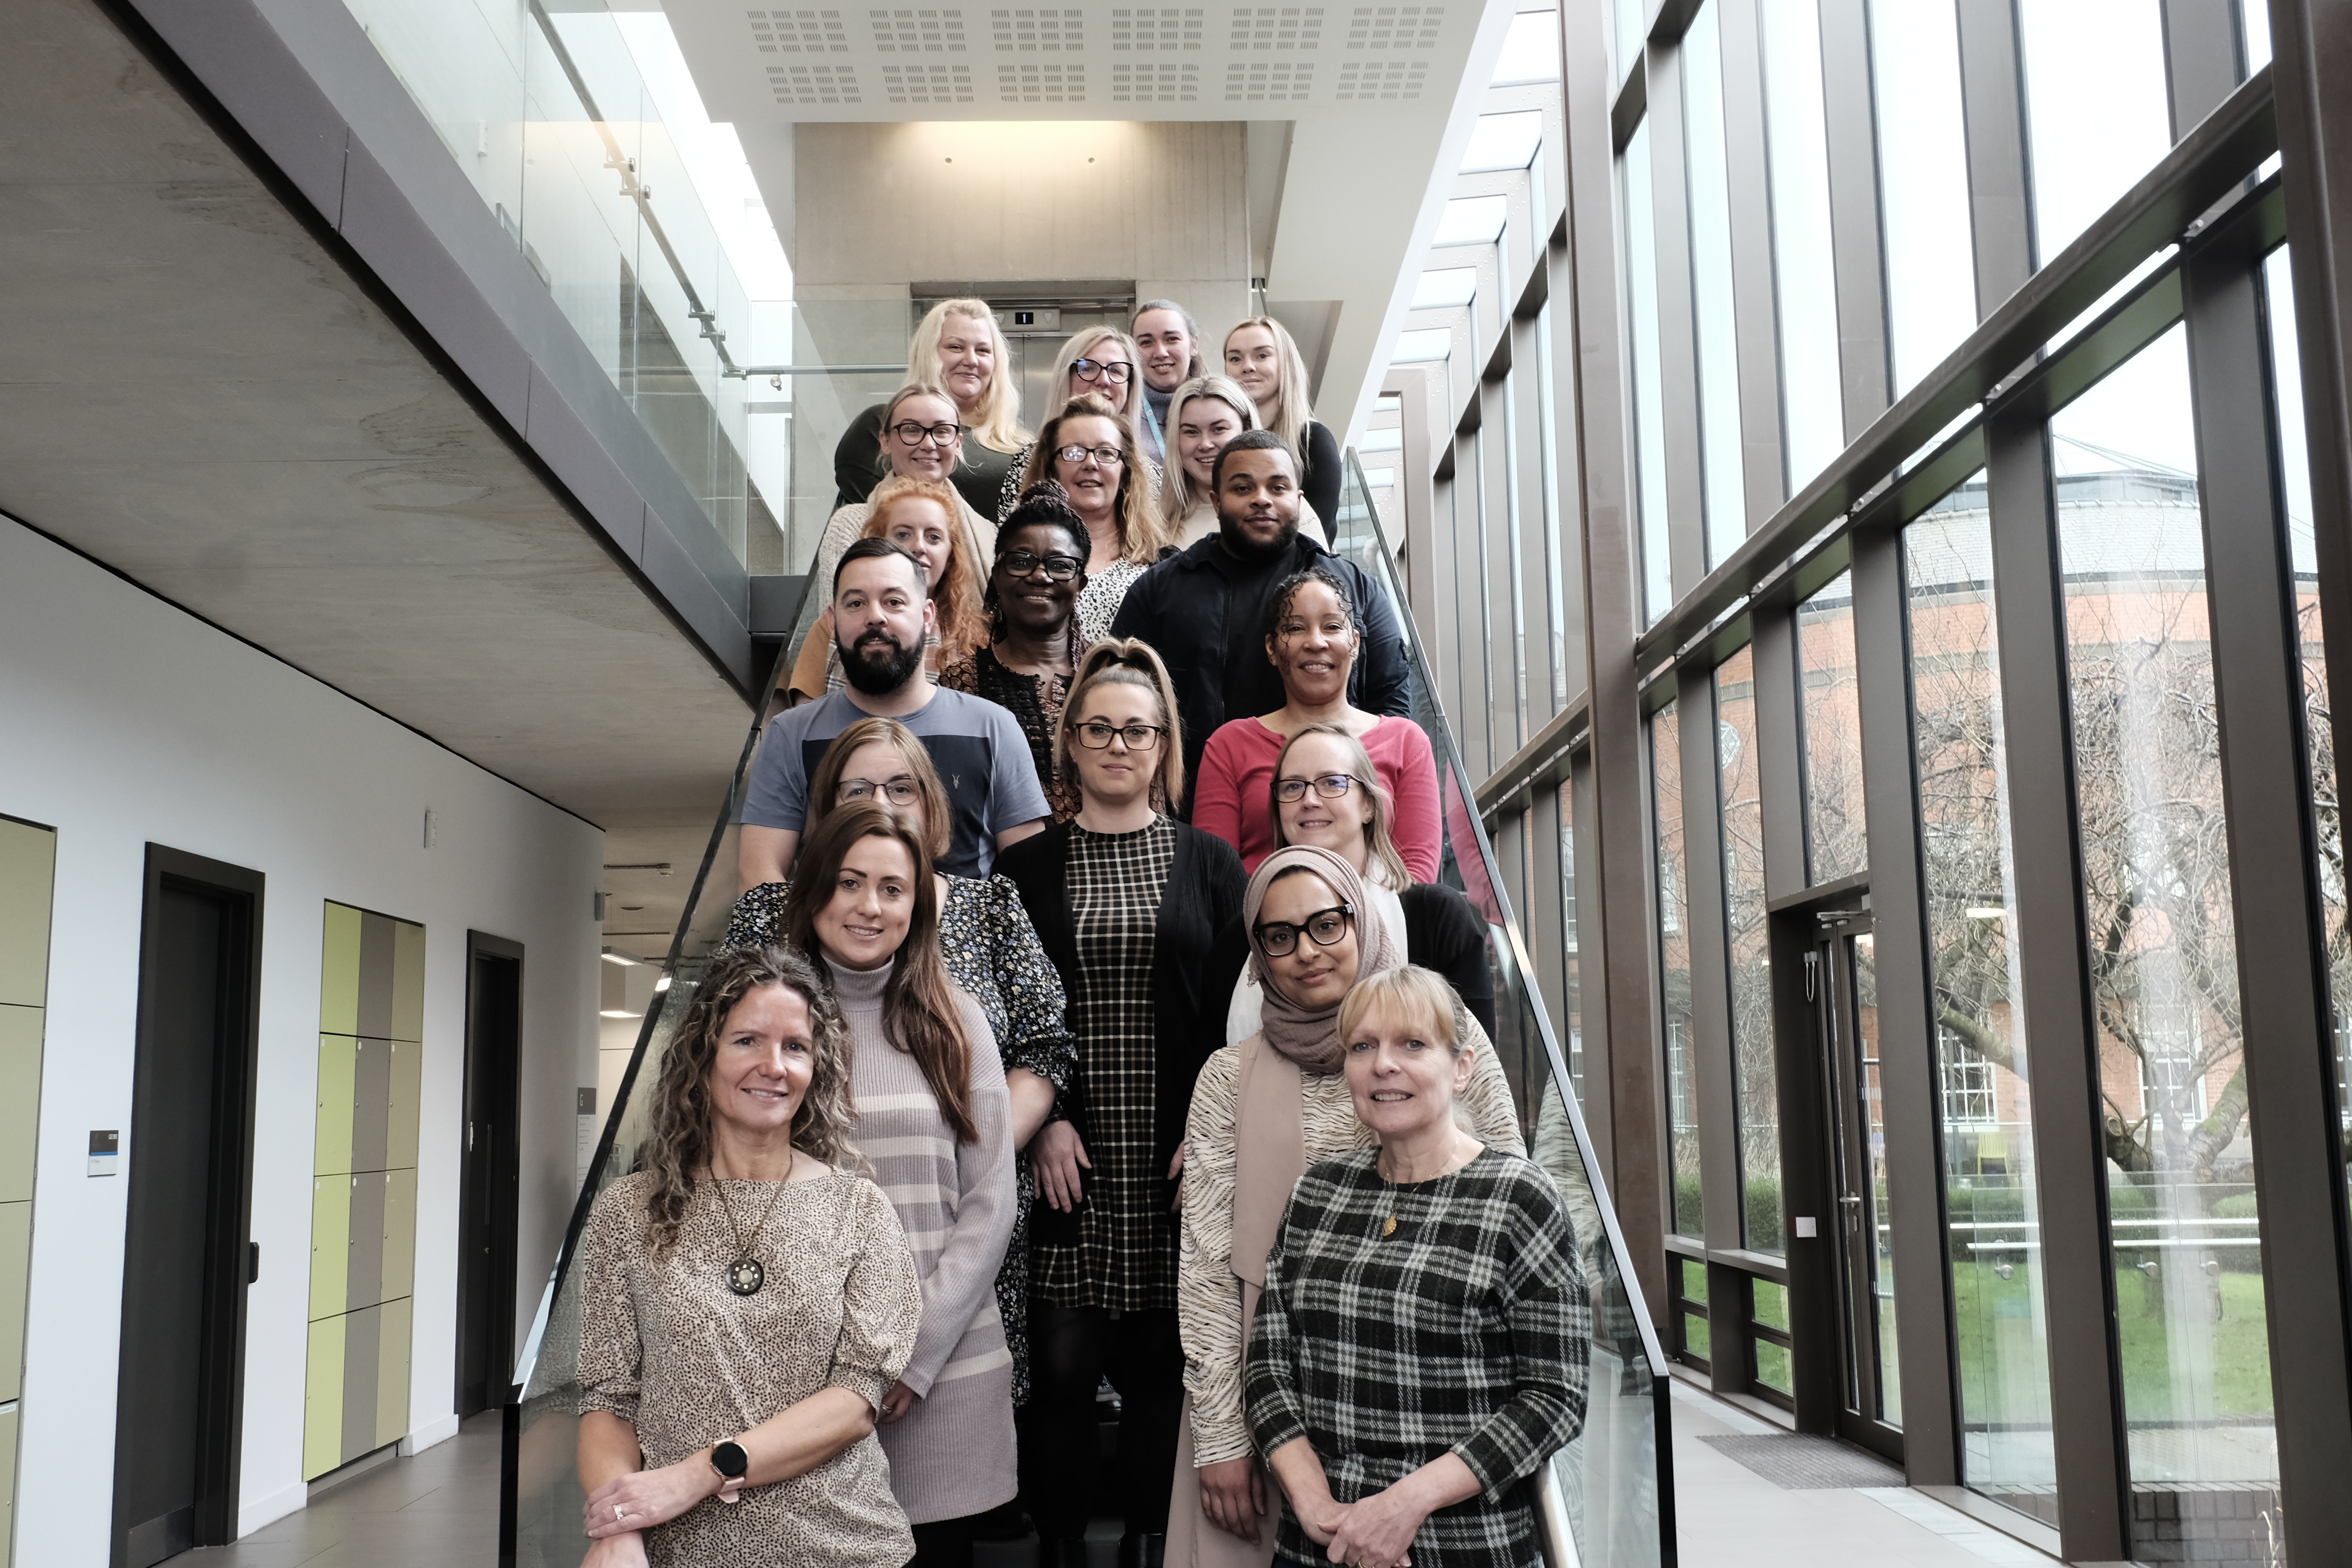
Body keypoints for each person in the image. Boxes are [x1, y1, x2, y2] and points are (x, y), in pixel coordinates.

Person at [1171, 851, 1524, 1568]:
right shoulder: (1226, 1078)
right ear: (1258, 956)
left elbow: (1506, 1199)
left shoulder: (1451, 1039)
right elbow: (1207, 1264)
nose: (1305, 951)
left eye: (1326, 924)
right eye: (1278, 936)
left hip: (1436, 1410)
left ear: (1360, 920)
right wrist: (1222, 1437)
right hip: (1260, 1389)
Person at [725, 715, 1077, 1416]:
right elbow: (729, 1052)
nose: (881, 803)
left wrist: (972, 1161)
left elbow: (1044, 1044)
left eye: (900, 786)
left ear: (931, 803)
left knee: (942, 1452)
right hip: (801, 1235)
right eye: (858, 788)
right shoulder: (771, 913)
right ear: (825, 807)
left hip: (955, 1225)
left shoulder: (991, 905)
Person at [993, 640, 1248, 1568]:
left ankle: (1148, 1541)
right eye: (1097, 726)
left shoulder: (1213, 864)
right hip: (1067, 1154)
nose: (1116, 742)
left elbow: (1233, 1019)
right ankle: (1061, 1544)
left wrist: (1210, 1133)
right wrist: (1047, 1118)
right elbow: (1013, 1014)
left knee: (1160, 1371)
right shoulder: (1022, 871)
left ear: (1164, 741)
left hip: (1174, 1157)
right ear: (1068, 741)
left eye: (1136, 728)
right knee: (1060, 1373)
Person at [575, 945, 922, 1568]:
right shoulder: (628, 1213)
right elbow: (607, 1401)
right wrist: (617, 1527)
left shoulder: (860, 1211)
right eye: (747, 1041)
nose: (774, 1065)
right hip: (680, 1552)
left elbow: (854, 1404)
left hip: (843, 1549)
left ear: (818, 1066)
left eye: (795, 1046)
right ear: (702, 1056)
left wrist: (700, 1473)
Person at [1245, 965, 1589, 1568]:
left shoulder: (1518, 1198)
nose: (1383, 1065)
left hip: (1459, 1546)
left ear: (1462, 1067)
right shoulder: (1316, 1195)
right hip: (1319, 1547)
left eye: (1412, 1044)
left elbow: (1554, 1397)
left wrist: (1401, 1506)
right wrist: (1319, 1508)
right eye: (1363, 1046)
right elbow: (1269, 1372)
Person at [778, 803, 1018, 1568]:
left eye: (892, 888)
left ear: (917, 906)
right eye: (849, 883)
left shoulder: (959, 1022)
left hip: (942, 1372)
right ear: (815, 891)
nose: (869, 906)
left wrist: (907, 1359)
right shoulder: (774, 1027)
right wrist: (850, 1366)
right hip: (804, 1374)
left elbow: (991, 1203)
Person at [1110, 431, 1408, 813]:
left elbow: (1391, 705)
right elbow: (1120, 698)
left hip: (1331, 807)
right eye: (1242, 487)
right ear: (1216, 502)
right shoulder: (1160, 590)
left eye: (1278, 487)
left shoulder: (1355, 589)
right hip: (1198, 814)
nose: (1262, 499)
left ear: (1298, 500)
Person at [740, 538, 1051, 886]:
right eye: (856, 603)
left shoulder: (994, 728)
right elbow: (759, 880)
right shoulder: (791, 734)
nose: (875, 616)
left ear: (927, 616)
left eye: (894, 601)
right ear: (832, 621)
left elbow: (1033, 881)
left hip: (962, 937)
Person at [1191, 566, 1439, 879]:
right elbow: (1214, 876)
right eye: (1295, 629)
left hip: (1383, 923)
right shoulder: (1229, 745)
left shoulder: (1406, 742)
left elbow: (1416, 872)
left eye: (1332, 626)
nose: (1316, 642)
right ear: (1271, 648)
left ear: (1356, 643)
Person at [1252, 723, 1495, 1041]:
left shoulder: (1437, 919)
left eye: (1332, 782)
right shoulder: (1246, 934)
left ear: (1368, 804)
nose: (1309, 799)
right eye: (1293, 787)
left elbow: (1476, 1066)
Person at [940, 483, 1095, 823]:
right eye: (1021, 562)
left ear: (1080, 582)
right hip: (1001, 869)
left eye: (1060, 565)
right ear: (997, 575)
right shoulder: (961, 683)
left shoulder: (1111, 674)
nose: (1040, 576)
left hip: (1107, 868)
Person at [789, 475, 989, 704]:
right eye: (903, 535)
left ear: (951, 556)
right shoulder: (832, 627)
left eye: (933, 537)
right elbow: (805, 724)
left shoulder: (974, 641)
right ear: (879, 543)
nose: (919, 547)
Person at [835, 300, 1026, 519]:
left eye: (983, 350)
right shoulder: (882, 423)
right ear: (928, 354)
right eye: (956, 347)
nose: (972, 360)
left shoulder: (1022, 447)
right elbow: (868, 524)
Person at [1014, 394, 1173, 642]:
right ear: (1051, 469)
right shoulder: (1018, 557)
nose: (1090, 463)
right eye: (1074, 452)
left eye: (1106, 453)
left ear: (1125, 473)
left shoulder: (1162, 565)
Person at [996, 327, 1161, 520]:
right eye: (1088, 368)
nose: (1104, 380)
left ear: (1130, 386)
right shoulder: (1027, 462)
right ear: (1065, 377)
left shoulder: (1152, 475)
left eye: (1116, 370)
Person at [1223, 318, 1341, 535]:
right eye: (1235, 358)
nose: (1247, 366)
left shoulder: (1313, 440)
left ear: (1285, 363)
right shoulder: (1222, 444)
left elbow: (1314, 536)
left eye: (1262, 356)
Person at [1157, 376, 1258, 549]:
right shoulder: (1154, 521)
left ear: (1247, 429)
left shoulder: (1282, 510)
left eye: (1219, 430)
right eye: (1191, 432)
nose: (1205, 444)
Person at [1132, 299, 1205, 470]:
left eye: (1171, 339)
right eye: (1146, 343)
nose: (1160, 353)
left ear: (1194, 345)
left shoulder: (1220, 408)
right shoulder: (1123, 414)